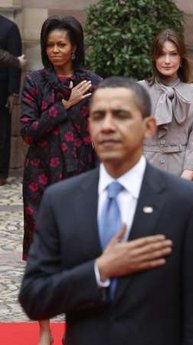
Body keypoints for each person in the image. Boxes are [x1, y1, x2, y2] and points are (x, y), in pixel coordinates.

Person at [19, 77, 193, 345]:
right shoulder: (61, 201)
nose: (108, 126)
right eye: (99, 116)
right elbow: (34, 296)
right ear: (89, 126)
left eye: (121, 115)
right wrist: (99, 270)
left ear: (148, 127)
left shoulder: (187, 203)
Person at [20, 15, 102, 345]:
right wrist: (64, 105)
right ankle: (43, 329)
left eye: (61, 45)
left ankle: (76, 326)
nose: (54, 50)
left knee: (80, 254)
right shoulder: (35, 83)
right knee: (41, 254)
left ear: (75, 47)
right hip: (41, 178)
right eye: (49, 45)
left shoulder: (94, 83)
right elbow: (27, 132)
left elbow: (101, 131)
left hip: (82, 177)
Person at [138, 28, 193, 181]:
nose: (167, 61)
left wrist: (181, 183)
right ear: (154, 57)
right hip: (143, 174)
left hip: (183, 174)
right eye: (161, 54)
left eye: (173, 54)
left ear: (181, 58)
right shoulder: (138, 90)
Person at [0, 14, 22, 186]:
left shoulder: (9, 27)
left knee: (2, 132)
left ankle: (1, 174)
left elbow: (16, 65)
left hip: (2, 90)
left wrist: (13, 92)